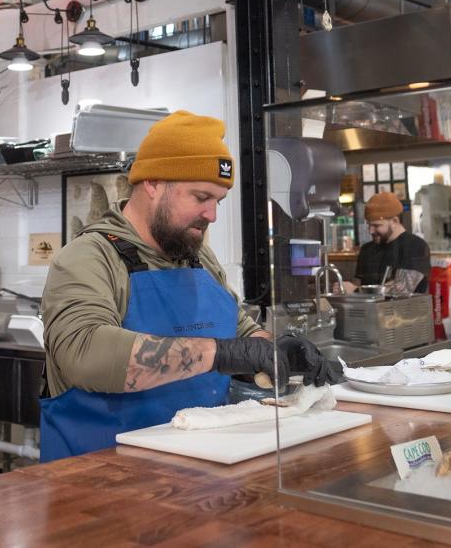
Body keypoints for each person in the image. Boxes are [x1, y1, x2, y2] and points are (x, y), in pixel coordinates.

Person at [40, 111, 342, 461]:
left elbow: (240, 331)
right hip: (100, 477)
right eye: (201, 197)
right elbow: (83, 354)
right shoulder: (88, 257)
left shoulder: (199, 259)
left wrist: (278, 351)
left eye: (218, 201)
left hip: (201, 468)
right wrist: (222, 353)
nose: (212, 215)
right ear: (153, 183)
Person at [338, 191, 431, 293]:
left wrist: (356, 290)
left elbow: (402, 289)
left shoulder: (415, 246)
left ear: (394, 221)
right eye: (369, 225)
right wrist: (344, 289)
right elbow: (356, 284)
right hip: (369, 309)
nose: (370, 231)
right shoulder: (366, 250)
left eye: (376, 225)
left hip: (405, 308)